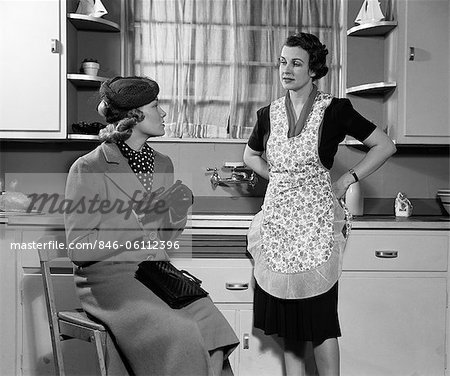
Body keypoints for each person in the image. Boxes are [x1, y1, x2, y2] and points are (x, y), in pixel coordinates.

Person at [64, 76, 238, 375]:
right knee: (182, 333)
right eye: (156, 105)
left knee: (214, 328)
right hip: (109, 280)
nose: (164, 113)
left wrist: (176, 213)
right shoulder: (89, 167)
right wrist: (138, 220)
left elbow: (165, 237)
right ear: (135, 115)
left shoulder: (162, 164)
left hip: (155, 271)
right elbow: (79, 249)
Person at [244, 33, 396, 375]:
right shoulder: (268, 113)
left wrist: (346, 180)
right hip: (279, 226)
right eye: (283, 61)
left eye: (296, 63)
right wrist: (278, 178)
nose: (286, 69)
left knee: (321, 322)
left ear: (314, 70)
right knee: (287, 325)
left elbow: (384, 145)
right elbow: (249, 155)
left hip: (315, 226)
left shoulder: (335, 109)